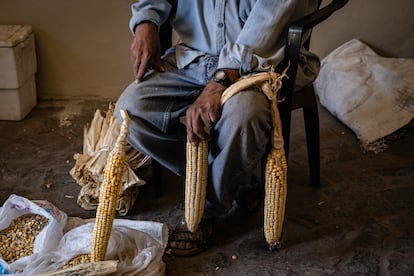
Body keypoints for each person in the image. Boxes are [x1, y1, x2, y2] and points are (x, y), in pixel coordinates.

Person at [115, 0, 320, 256]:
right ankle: (234, 172)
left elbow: (265, 25)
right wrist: (146, 21)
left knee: (244, 116)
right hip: (194, 58)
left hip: (256, 64)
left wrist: (218, 83)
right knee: (130, 112)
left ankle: (206, 206)